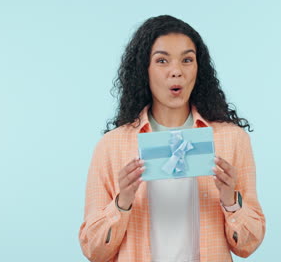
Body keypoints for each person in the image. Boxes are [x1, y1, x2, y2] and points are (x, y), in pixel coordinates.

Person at [79, 15, 265, 262]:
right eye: (162, 61)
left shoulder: (232, 140)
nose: (176, 71)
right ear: (143, 70)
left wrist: (231, 201)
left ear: (199, 68)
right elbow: (93, 251)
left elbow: (248, 246)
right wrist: (122, 202)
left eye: (187, 60)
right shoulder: (111, 146)